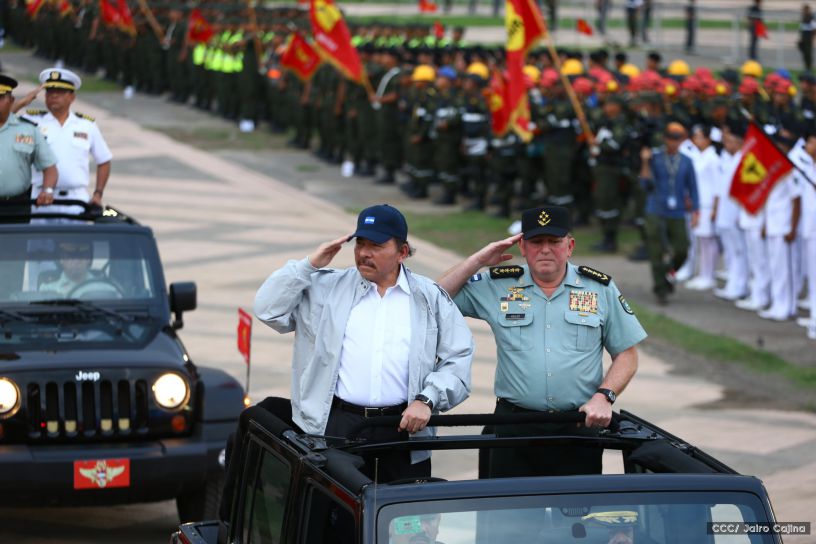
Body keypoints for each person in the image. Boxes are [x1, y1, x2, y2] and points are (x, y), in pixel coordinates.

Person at [254, 204, 473, 482]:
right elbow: (267, 309)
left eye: (377, 245)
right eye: (360, 243)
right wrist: (308, 265)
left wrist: (427, 400)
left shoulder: (429, 297)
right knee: (336, 516)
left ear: (402, 252)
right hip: (337, 425)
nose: (364, 253)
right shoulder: (326, 287)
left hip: (403, 427)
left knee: (404, 518)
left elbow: (459, 356)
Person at [438, 205, 646, 478]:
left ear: (569, 246)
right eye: (536, 242)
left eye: (554, 242)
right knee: (511, 517)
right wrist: (478, 260)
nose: (545, 249)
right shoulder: (498, 285)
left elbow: (627, 355)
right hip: (514, 424)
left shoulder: (599, 289)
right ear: (522, 247)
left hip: (577, 425)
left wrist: (604, 397)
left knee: (576, 517)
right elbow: (435, 298)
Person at [15, 69, 112, 217]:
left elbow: (104, 160)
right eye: (50, 92)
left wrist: (98, 194)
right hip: (41, 198)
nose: (53, 96)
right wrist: (23, 102)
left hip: (76, 199)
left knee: (75, 240)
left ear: (72, 97)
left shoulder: (86, 125)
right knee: (39, 239)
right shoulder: (32, 121)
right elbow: (3, 121)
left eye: (60, 92)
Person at [640, 122, 699, 304]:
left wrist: (696, 210)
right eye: (670, 138)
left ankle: (667, 273)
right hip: (656, 208)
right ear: (665, 139)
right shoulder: (655, 158)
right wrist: (645, 161)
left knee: (682, 248)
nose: (673, 143)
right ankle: (660, 290)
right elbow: (644, 183)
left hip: (678, 210)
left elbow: (693, 188)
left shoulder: (687, 162)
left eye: (677, 139)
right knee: (656, 249)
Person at [0, 74, 58, 224]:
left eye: (0, 98)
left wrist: (48, 190)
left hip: (16, 207)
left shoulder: (28, 130)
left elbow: (49, 167)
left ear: (11, 100)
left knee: (16, 247)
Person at [799, 4, 815, 71]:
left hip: (808, 37)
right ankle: (806, 66)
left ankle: (809, 67)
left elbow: (814, 28)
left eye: (804, 10)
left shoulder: (811, 17)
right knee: (804, 51)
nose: (803, 11)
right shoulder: (804, 17)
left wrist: (813, 38)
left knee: (808, 53)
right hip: (804, 37)